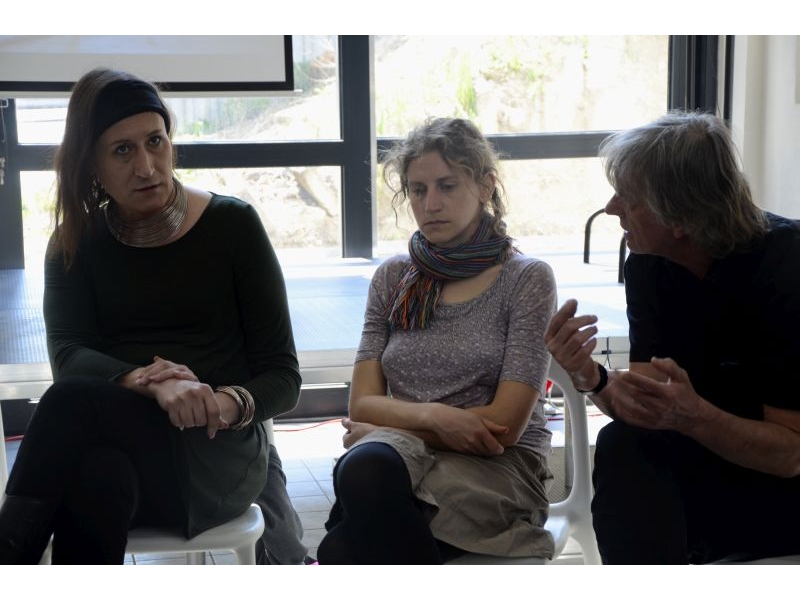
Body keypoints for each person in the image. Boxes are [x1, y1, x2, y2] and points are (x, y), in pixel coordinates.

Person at [0, 67, 305, 564]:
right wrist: (153, 383)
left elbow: (284, 377)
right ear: (91, 164)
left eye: (155, 141)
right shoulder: (74, 243)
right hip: (127, 447)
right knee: (96, 479)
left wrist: (214, 404)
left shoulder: (233, 225)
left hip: (215, 453)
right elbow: (68, 357)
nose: (146, 167)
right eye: (122, 150)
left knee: (70, 406)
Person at [544, 110, 800, 564]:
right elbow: (648, 410)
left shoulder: (785, 268)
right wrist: (589, 376)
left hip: (780, 486)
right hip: (703, 467)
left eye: (628, 197)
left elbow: (791, 454)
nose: (611, 208)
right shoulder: (649, 263)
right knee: (623, 444)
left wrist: (696, 418)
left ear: (681, 217)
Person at [317, 117, 557, 564]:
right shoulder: (393, 277)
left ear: (485, 186)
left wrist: (389, 428)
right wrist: (436, 418)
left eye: (447, 186)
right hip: (401, 455)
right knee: (370, 470)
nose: (430, 204)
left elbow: (504, 427)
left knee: (346, 538)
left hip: (496, 467)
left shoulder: (526, 279)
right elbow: (362, 406)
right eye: (417, 190)